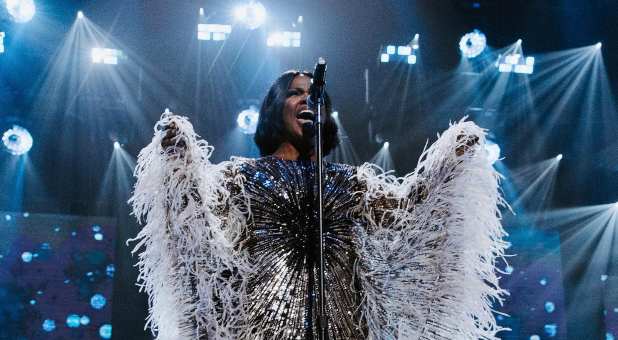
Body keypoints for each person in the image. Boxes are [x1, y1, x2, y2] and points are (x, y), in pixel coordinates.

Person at [129, 70, 509, 340]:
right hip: (261, 328)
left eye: (316, 96)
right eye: (296, 92)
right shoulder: (241, 178)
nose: (308, 98)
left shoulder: (350, 182)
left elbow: (412, 216)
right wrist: (178, 162)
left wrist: (449, 166)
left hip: (345, 329)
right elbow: (198, 225)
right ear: (276, 107)